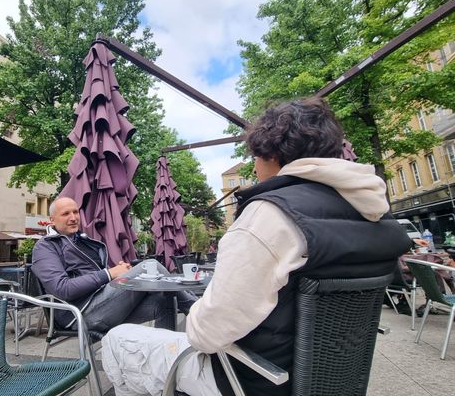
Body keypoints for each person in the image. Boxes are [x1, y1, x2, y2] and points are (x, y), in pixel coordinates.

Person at [101, 97, 411, 396]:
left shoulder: (269, 216)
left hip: (253, 380)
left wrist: (200, 310)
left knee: (118, 340)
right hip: (336, 379)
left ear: (272, 155)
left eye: (255, 158)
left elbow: (206, 335)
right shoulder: (372, 212)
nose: (254, 169)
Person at [31, 197, 197, 333]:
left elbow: (100, 277)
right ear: (52, 220)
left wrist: (120, 273)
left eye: (75, 212)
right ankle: (198, 309)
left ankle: (166, 353)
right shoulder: (45, 246)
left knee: (165, 299)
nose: (73, 217)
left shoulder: (82, 242)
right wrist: (109, 274)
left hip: (103, 302)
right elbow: (63, 288)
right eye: (65, 214)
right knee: (149, 265)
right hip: (79, 314)